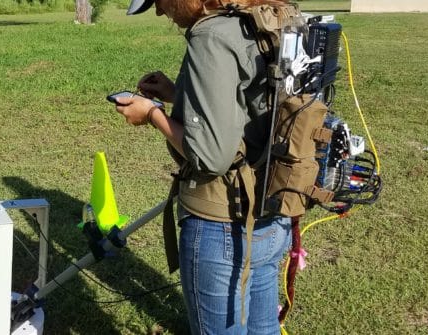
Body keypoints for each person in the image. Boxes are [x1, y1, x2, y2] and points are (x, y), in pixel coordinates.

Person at [113, 0, 293, 334]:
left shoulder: (211, 35)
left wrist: (152, 115)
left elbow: (210, 156)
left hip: (222, 225)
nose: (159, 11)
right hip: (272, 214)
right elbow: (247, 104)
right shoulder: (268, 18)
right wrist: (178, 92)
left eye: (160, 1)